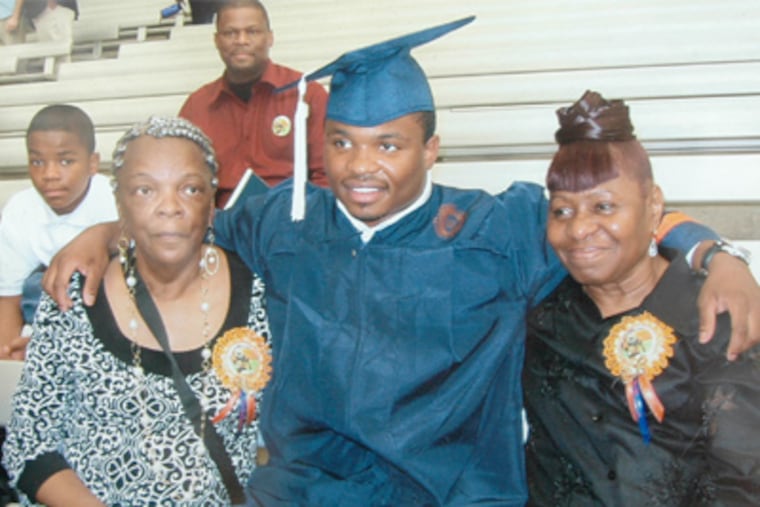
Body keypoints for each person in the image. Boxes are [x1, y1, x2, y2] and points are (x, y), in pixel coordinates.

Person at [42, 18, 760, 506]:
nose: (361, 165)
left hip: (452, 493)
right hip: (306, 493)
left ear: (432, 149)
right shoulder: (282, 219)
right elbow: (178, 216)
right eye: (345, 141)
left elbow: (604, 224)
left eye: (389, 145)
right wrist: (105, 230)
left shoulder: (496, 228)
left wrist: (712, 249)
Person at [3, 116, 272, 506]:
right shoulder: (75, 296)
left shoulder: (259, 295)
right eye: (145, 190)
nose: (169, 207)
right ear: (119, 204)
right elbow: (29, 444)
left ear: (212, 202)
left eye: (190, 189)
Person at [523, 91, 760, 506]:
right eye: (562, 210)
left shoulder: (710, 317)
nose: (579, 229)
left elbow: (744, 480)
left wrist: (723, 256)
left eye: (604, 206)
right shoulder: (543, 314)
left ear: (653, 208)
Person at [179, 0, 329, 208]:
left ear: (270, 38)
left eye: (252, 32)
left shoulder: (307, 95)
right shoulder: (197, 106)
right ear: (217, 40)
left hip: (293, 221)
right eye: (230, 33)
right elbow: (183, 181)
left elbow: (327, 175)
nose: (241, 40)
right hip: (222, 229)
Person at [0, 104, 117, 361]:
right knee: (35, 285)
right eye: (37, 162)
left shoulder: (115, 200)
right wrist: (7, 357)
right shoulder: (20, 210)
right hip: (42, 320)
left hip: (106, 321)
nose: (49, 175)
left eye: (66, 161)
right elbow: (9, 300)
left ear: (92, 163)